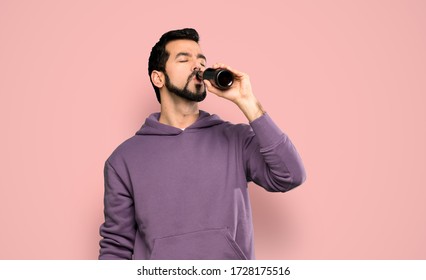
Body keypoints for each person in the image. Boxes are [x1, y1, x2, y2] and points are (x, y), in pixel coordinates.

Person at [99, 28, 306, 260]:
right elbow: (116, 246)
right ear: (158, 78)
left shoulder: (236, 139)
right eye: (184, 59)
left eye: (201, 60)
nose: (197, 66)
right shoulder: (124, 159)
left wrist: (247, 102)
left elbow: (290, 176)